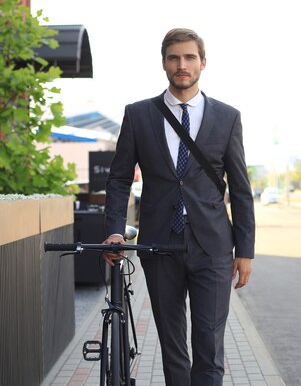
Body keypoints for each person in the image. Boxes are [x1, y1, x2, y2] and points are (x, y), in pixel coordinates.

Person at [102, 27, 255, 386]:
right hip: (159, 244)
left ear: (203, 62)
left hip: (213, 247)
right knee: (172, 348)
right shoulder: (139, 115)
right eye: (174, 58)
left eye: (189, 57)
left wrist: (245, 250)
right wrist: (113, 229)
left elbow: (242, 189)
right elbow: (120, 179)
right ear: (164, 64)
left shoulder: (227, 117)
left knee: (209, 346)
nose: (181, 65)